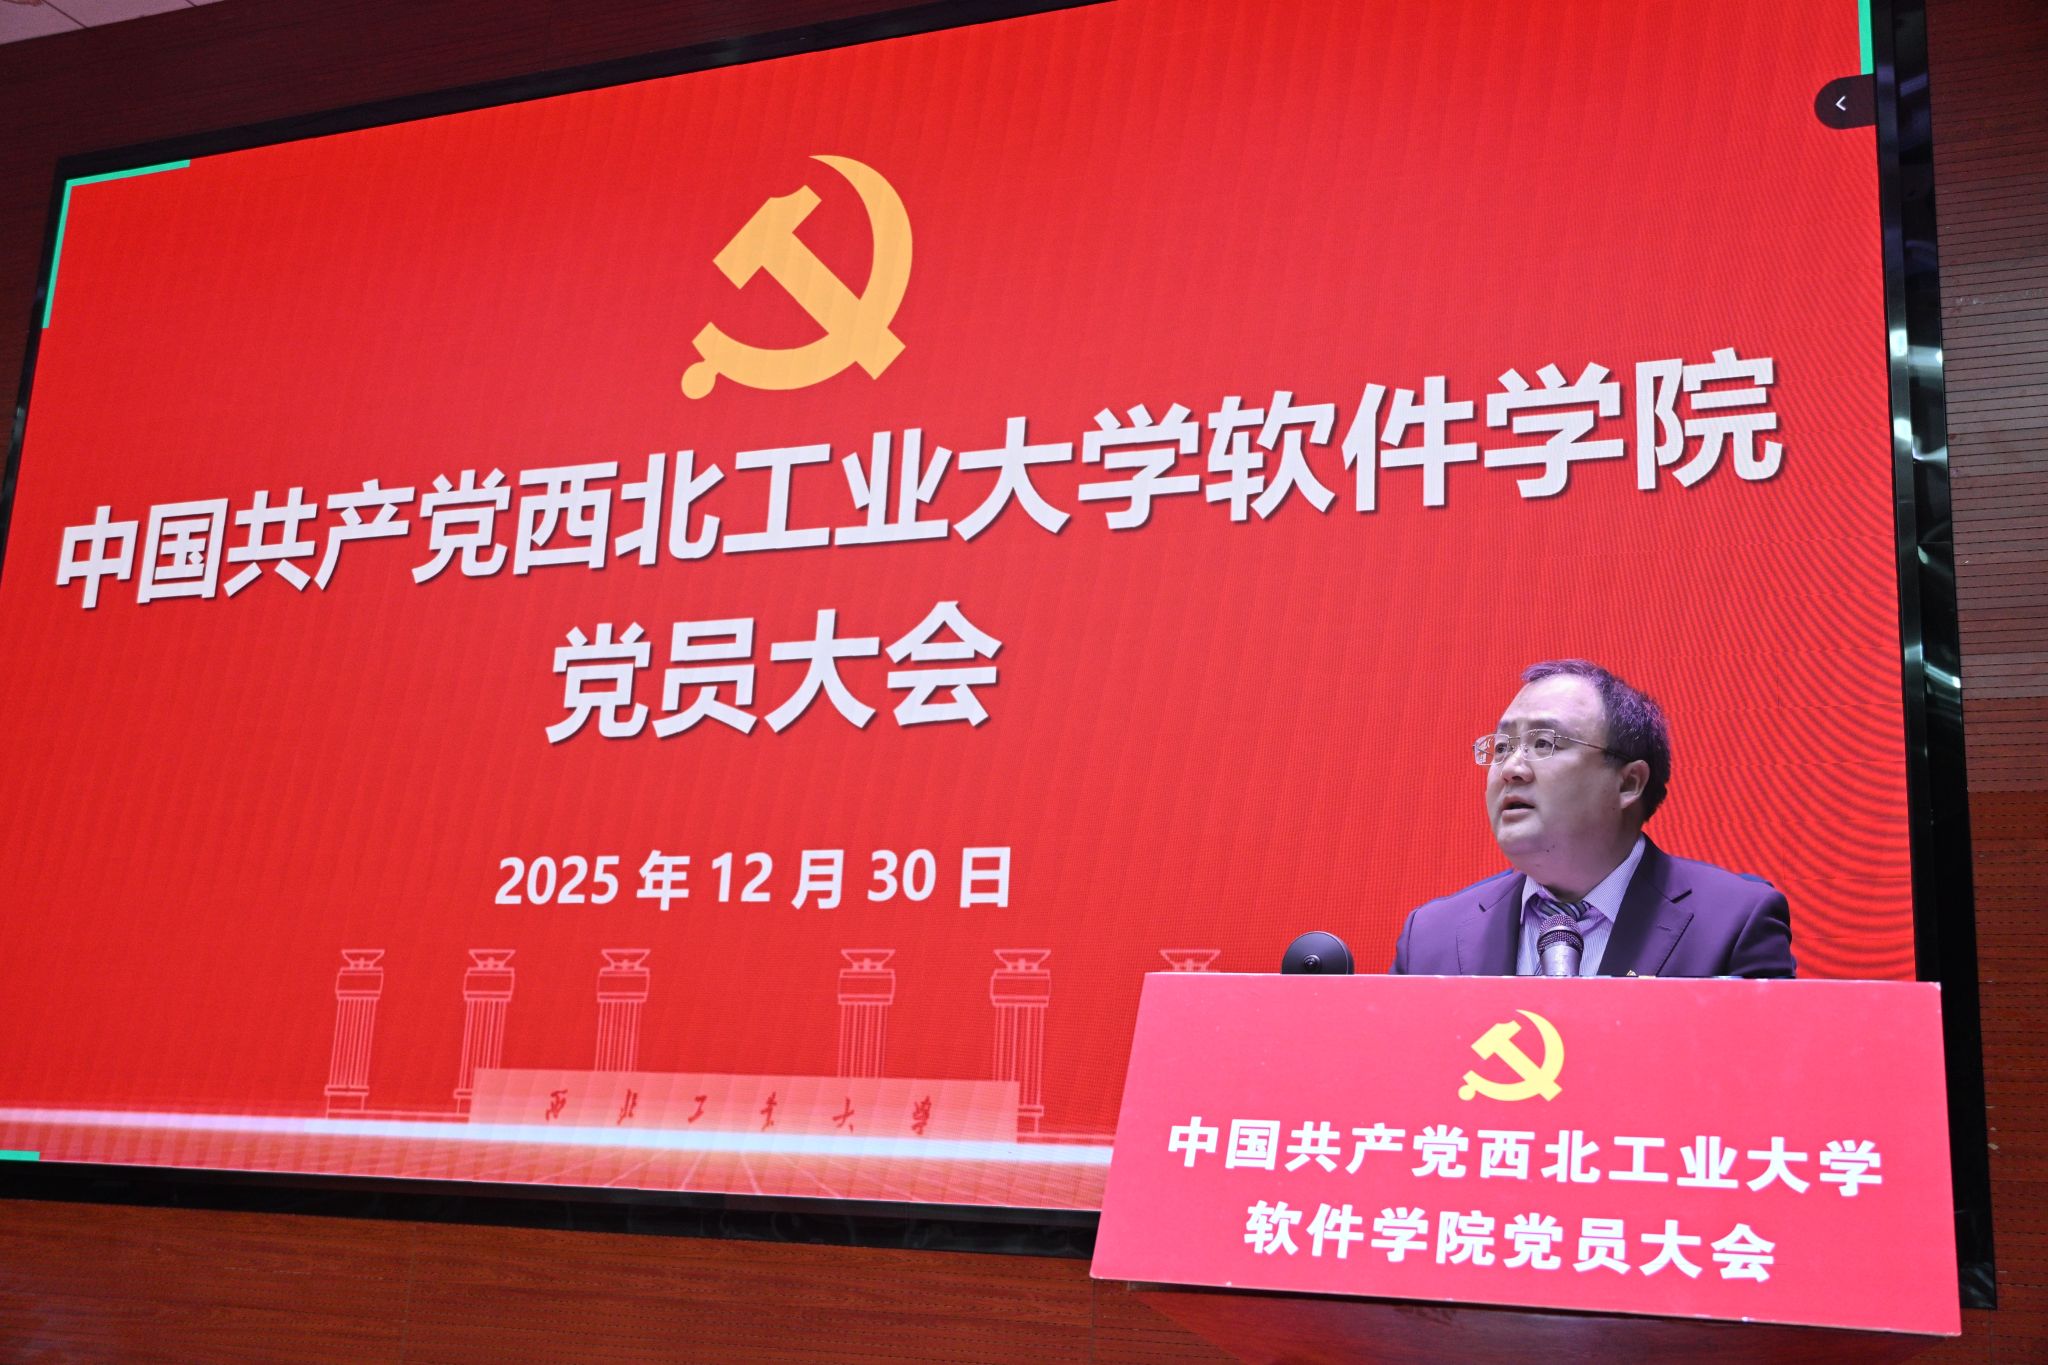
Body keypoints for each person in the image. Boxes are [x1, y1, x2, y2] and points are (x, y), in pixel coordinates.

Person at [1389, 660, 1795, 978]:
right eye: (1501, 747)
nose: (1511, 768)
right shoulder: (1431, 937)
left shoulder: (1732, 924)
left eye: (1543, 743)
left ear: (1629, 782)